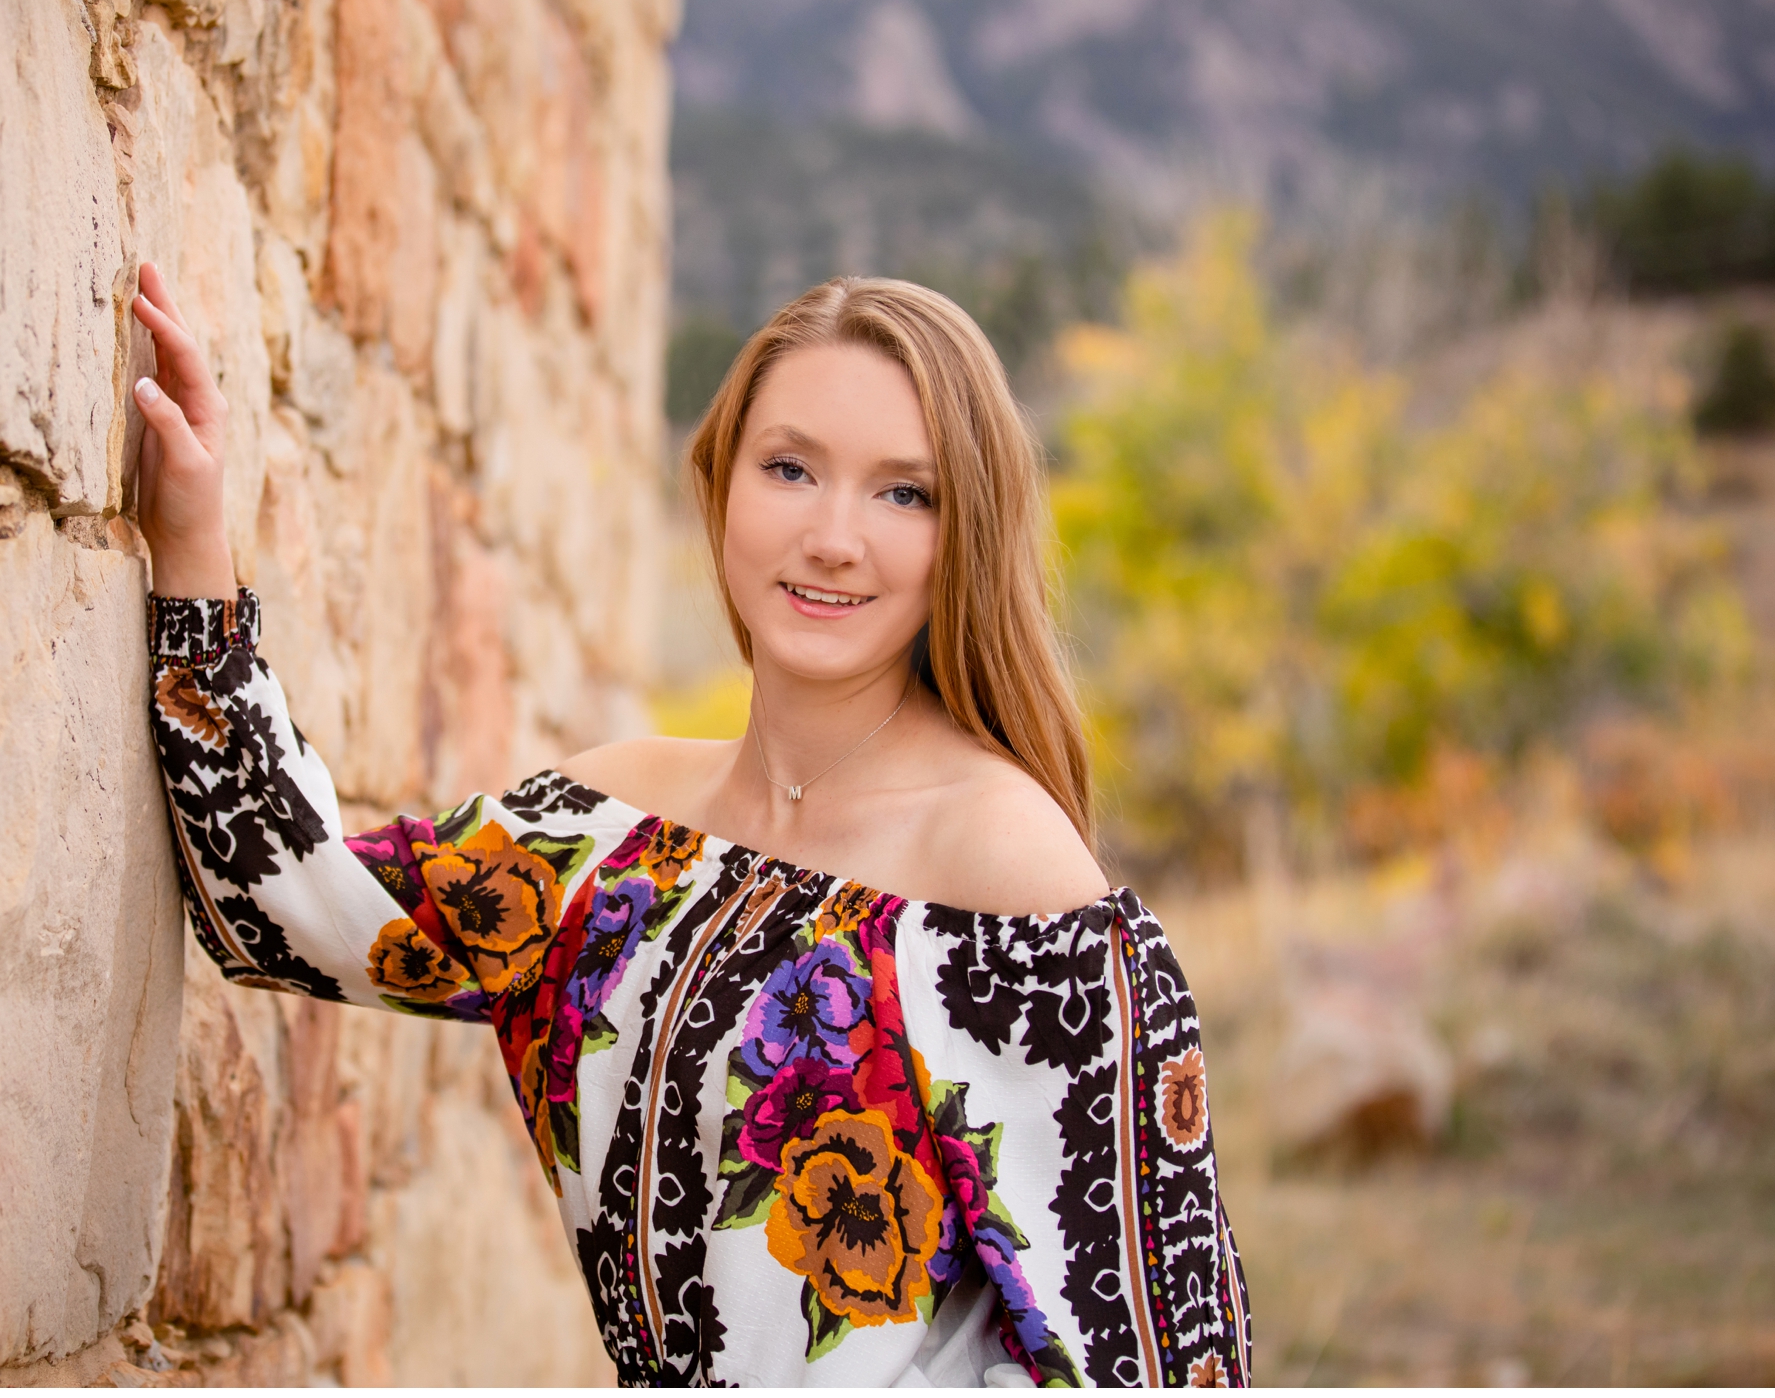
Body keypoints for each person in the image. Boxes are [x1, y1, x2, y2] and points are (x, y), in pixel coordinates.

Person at [130, 262, 1251, 1387]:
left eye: (905, 492)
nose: (832, 535)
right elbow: (289, 906)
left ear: (969, 533)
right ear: (721, 484)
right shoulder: (610, 832)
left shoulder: (1008, 870)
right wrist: (192, 540)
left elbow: (1157, 1348)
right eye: (790, 468)